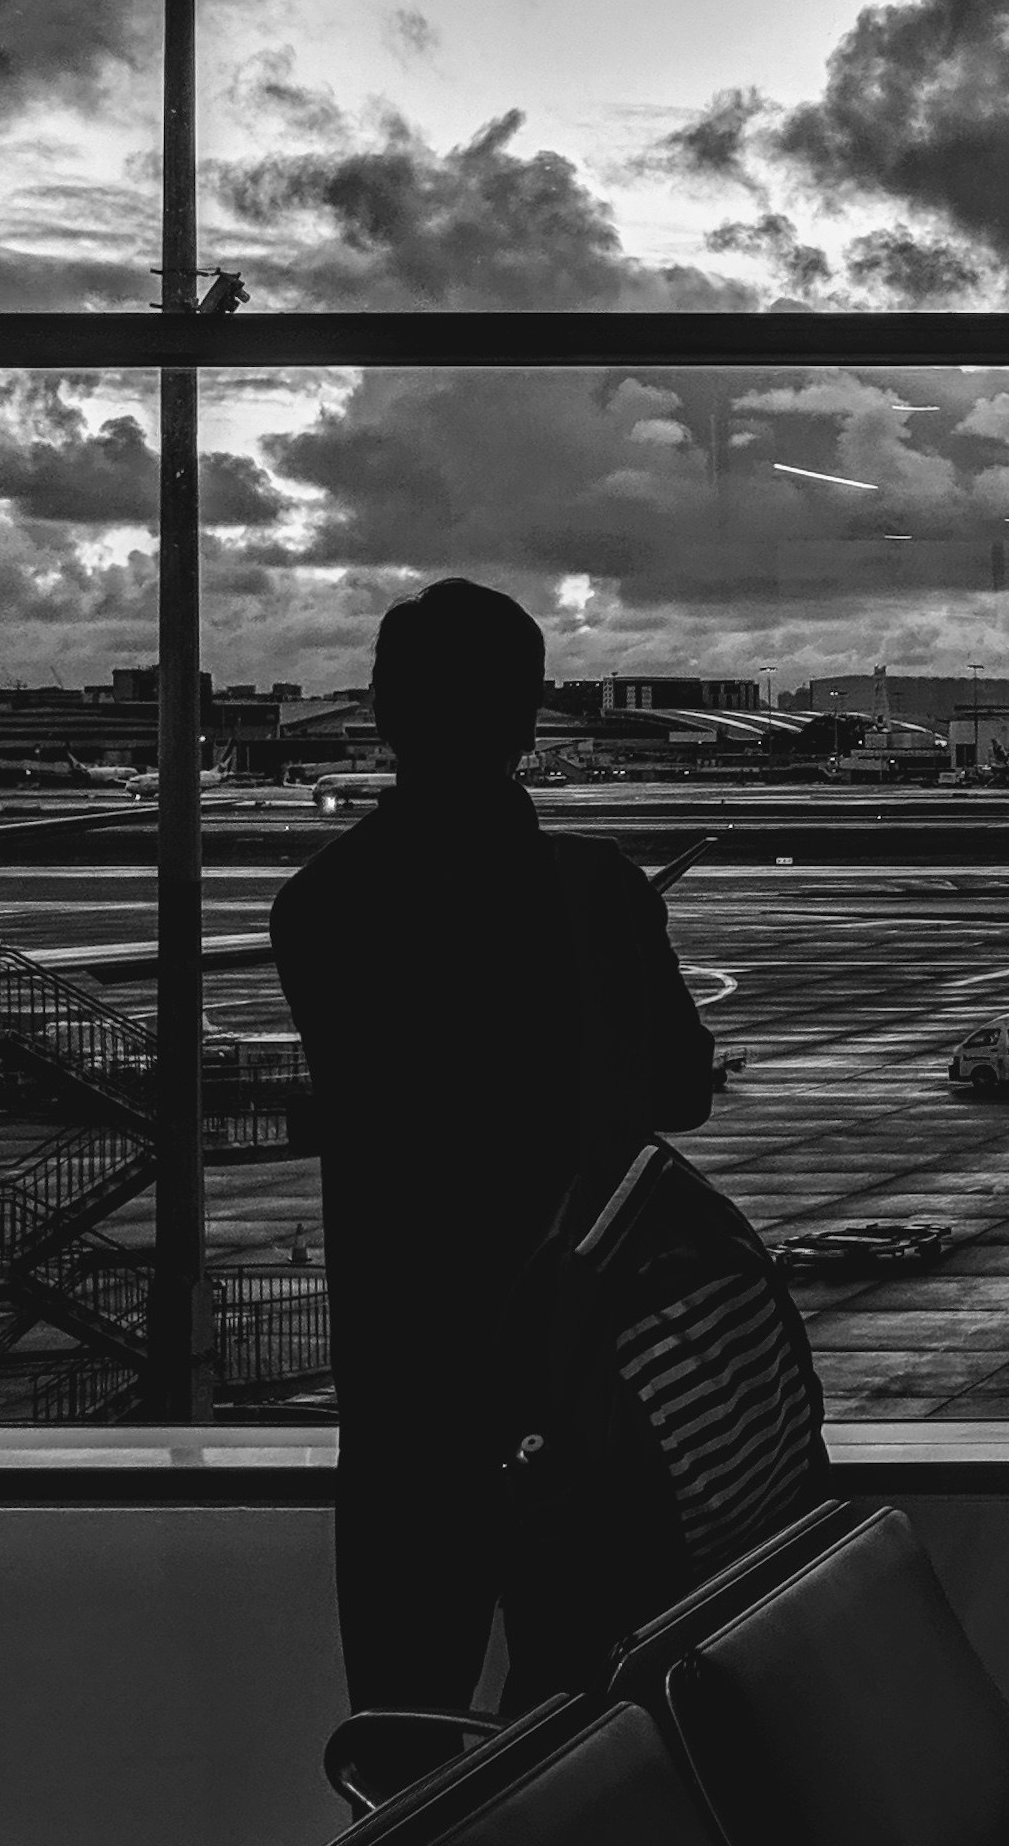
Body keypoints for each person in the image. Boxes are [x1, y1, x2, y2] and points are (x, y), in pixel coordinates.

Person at [271, 580, 719, 1714]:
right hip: (583, 1387)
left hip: (409, 1386)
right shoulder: (598, 891)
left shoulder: (319, 904)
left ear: (379, 709)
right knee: (596, 1732)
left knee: (401, 1725)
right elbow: (680, 1091)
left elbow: (396, 1111)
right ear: (530, 718)